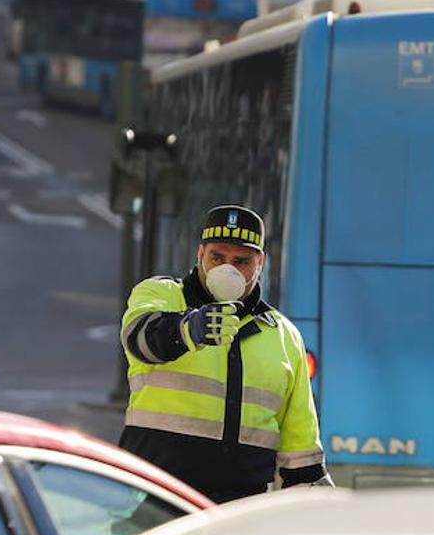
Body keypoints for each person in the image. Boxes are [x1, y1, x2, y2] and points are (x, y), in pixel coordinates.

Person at [118, 204, 331, 502]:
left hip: (239, 513)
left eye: (241, 261)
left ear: (260, 263)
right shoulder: (161, 294)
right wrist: (189, 328)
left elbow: (300, 448)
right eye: (217, 257)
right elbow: (140, 339)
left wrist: (317, 510)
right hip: (156, 501)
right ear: (200, 254)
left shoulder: (283, 336)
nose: (227, 269)